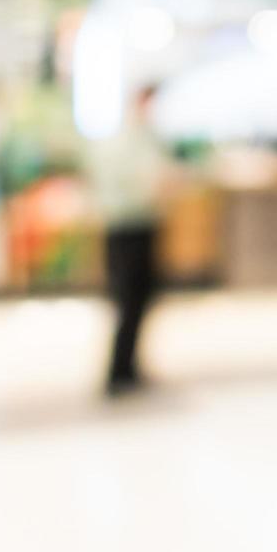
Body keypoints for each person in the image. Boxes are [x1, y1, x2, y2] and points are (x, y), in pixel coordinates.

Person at [84, 85, 174, 398]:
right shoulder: (126, 140)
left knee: (137, 301)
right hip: (127, 226)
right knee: (128, 301)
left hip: (138, 224)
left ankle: (129, 367)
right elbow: (148, 180)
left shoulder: (141, 138)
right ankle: (119, 372)